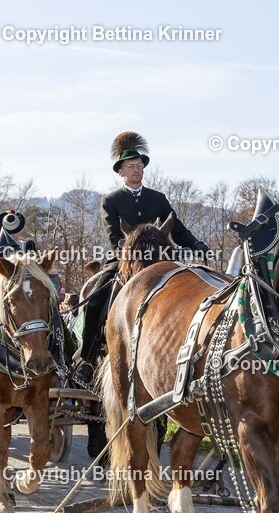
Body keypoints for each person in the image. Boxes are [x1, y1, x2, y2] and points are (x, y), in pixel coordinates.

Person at [72, 131, 211, 387]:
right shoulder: (111, 201)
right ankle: (87, 359)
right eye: (131, 167)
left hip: (160, 258)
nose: (136, 170)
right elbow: (114, 236)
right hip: (124, 259)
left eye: (139, 166)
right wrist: (129, 251)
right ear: (121, 172)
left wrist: (196, 244)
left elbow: (177, 229)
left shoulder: (157, 198)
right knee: (95, 301)